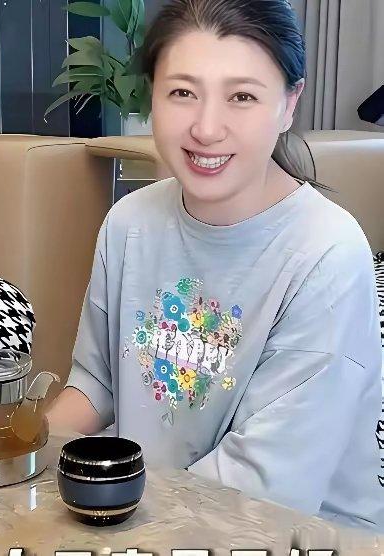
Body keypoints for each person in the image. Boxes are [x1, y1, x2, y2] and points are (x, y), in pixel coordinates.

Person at [47, 0, 383, 531]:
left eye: (242, 96)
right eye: (182, 92)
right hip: (150, 513)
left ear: (289, 104)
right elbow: (95, 387)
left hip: (292, 528)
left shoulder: (327, 253)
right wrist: (15, 459)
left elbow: (265, 486)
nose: (206, 129)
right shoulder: (129, 222)